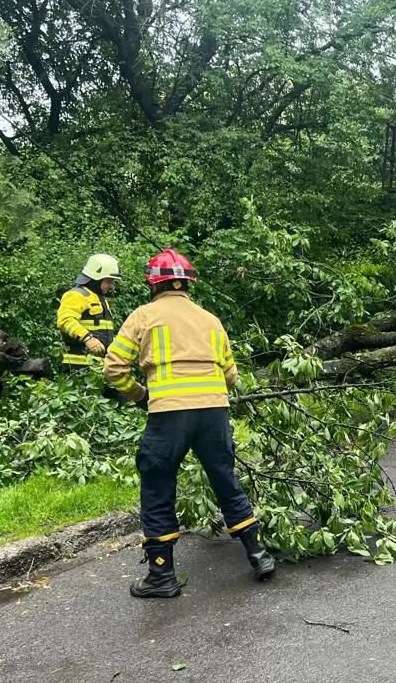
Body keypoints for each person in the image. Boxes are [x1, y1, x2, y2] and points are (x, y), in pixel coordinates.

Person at [103, 248, 274, 598]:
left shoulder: (143, 316)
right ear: (187, 284)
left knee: (158, 486)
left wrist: (139, 395)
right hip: (214, 412)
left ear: (154, 284)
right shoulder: (210, 319)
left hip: (169, 414)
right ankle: (259, 555)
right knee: (225, 479)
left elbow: (114, 367)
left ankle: (161, 576)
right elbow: (231, 375)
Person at [56, 254, 121, 372]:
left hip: (98, 368)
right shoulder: (76, 295)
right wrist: (88, 339)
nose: (111, 286)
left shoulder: (100, 299)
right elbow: (65, 320)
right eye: (109, 281)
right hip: (77, 368)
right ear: (97, 278)